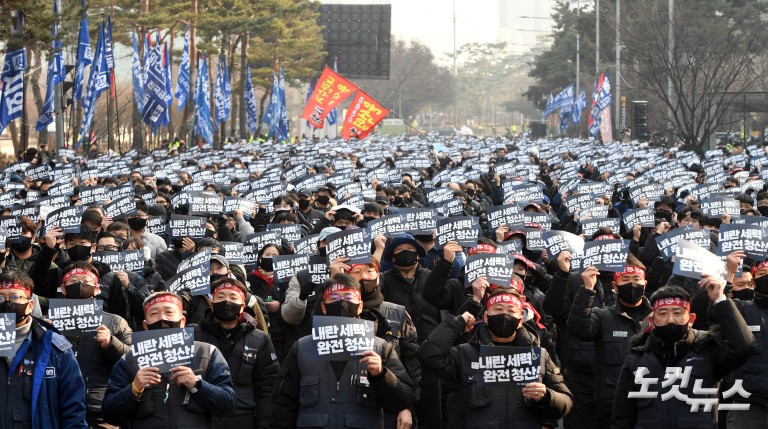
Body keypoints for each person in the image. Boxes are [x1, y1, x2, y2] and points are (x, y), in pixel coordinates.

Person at [271, 274, 416, 429]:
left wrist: (381, 375)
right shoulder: (302, 348)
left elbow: (404, 399)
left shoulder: (380, 348)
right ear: (324, 307)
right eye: (333, 298)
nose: (341, 303)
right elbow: (283, 405)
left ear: (360, 306)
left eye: (348, 297)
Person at [418, 288, 573, 429]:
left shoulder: (539, 356)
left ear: (520, 321)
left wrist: (547, 396)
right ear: (486, 317)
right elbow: (429, 355)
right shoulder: (464, 354)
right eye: (498, 309)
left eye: (511, 311)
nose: (504, 315)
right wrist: (457, 323)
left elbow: (566, 402)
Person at [611, 281, 756, 428]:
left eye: (678, 313)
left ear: (691, 319)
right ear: (652, 321)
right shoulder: (637, 359)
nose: (670, 320)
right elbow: (622, 416)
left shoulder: (707, 351)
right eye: (663, 313)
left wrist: (720, 300)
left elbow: (744, 347)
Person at [102, 291, 237, 428]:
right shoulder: (129, 360)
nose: (162, 319)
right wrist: (134, 388)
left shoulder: (207, 353)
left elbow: (228, 405)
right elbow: (109, 414)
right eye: (154, 314)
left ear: (183, 321)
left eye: (169, 312)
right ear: (145, 325)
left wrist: (197, 385)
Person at [566, 260, 652, 429]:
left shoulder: (656, 318)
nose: (632, 284)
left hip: (648, 405)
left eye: (636, 279)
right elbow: (578, 329)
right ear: (615, 284)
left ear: (645, 283)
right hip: (609, 409)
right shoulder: (603, 316)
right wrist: (587, 290)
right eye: (625, 279)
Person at [0, 269, 88, 429]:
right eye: (1, 297)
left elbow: (73, 410)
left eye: (15, 297)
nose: (7, 302)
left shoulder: (56, 348)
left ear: (30, 305)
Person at [194, 278, 279, 429]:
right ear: (212, 304)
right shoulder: (193, 335)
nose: (226, 301)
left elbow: (266, 388)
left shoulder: (260, 339)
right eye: (220, 297)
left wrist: (264, 424)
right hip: (200, 417)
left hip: (243, 419)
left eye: (233, 297)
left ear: (242, 307)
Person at [60, 262, 133, 429]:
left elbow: (135, 361)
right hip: (61, 406)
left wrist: (110, 343)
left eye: (86, 282)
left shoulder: (115, 321)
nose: (80, 285)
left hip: (100, 409)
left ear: (97, 288)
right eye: (73, 282)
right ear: (63, 289)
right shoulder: (49, 324)